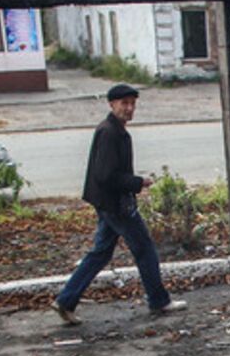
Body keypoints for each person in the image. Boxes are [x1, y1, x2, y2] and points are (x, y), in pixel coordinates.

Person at [52, 83, 187, 324]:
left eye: (133, 103)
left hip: (109, 203)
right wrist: (138, 182)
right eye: (124, 103)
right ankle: (159, 300)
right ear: (111, 104)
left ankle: (65, 300)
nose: (129, 108)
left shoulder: (114, 130)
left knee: (100, 253)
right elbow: (106, 176)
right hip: (116, 205)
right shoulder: (110, 132)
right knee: (145, 249)